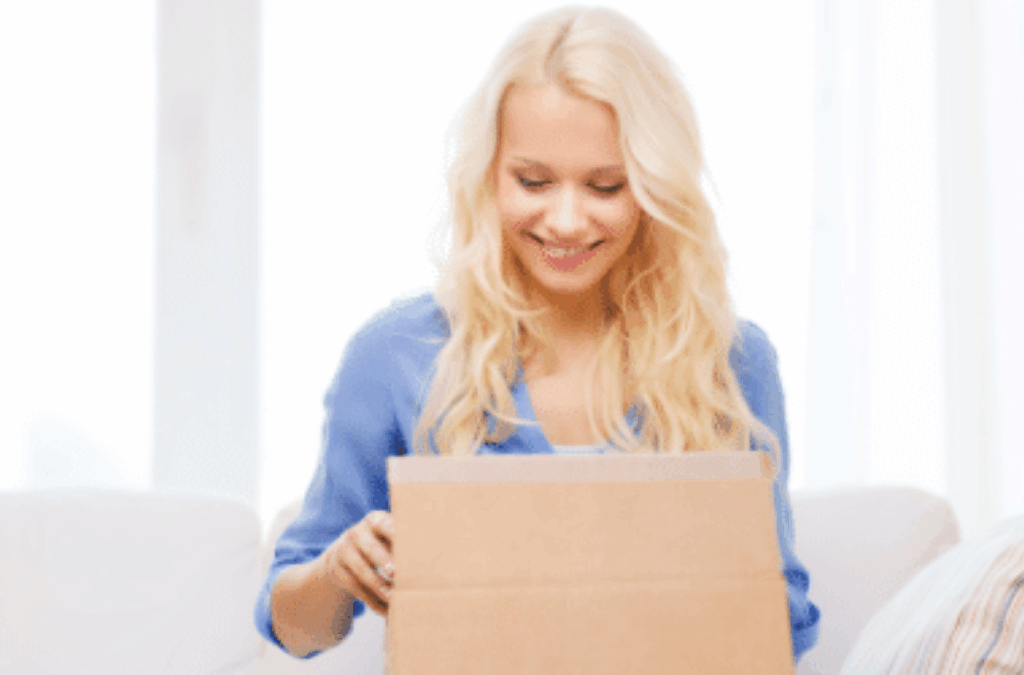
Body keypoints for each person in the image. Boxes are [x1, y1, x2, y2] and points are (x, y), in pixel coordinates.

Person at [254, 4, 821, 666]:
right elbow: (292, 626)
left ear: (652, 188)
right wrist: (336, 571)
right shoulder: (395, 356)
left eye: (606, 186)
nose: (567, 220)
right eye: (534, 181)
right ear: (489, 172)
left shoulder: (730, 361)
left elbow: (781, 623)